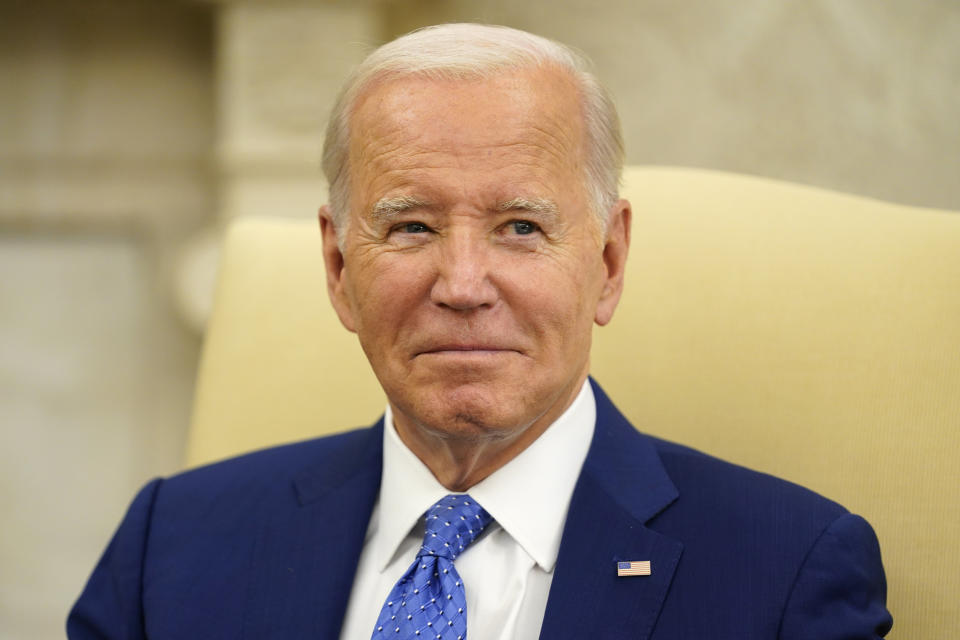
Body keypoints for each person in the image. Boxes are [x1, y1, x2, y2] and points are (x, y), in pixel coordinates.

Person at [68, 23, 892, 639]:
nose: (462, 286)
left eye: (522, 228)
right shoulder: (171, 547)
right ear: (336, 268)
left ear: (607, 261)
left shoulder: (787, 571)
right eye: (412, 228)